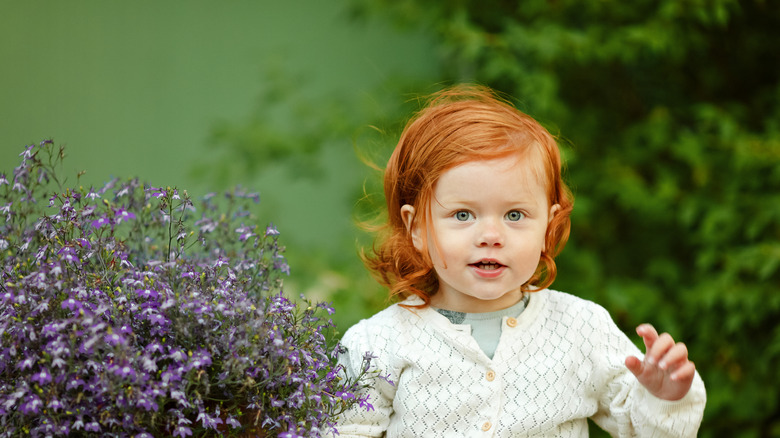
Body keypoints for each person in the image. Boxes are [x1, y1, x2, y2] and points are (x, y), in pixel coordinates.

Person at [335, 85, 706, 437]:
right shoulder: (379, 343)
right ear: (415, 227)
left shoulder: (580, 330)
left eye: (515, 215)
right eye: (463, 215)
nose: (491, 235)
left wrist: (662, 397)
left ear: (549, 224)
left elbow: (641, 427)